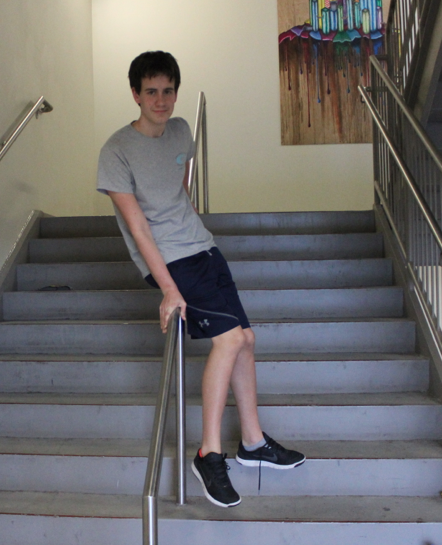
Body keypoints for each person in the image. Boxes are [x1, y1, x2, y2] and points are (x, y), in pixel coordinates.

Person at [96, 51, 305, 508]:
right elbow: (137, 227)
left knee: (247, 338)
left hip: (203, 249)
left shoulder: (182, 131)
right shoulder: (115, 151)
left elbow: (179, 193)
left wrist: (197, 236)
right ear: (135, 93)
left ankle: (252, 442)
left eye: (168, 90)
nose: (160, 99)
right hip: (172, 262)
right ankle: (209, 453)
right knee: (228, 342)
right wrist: (168, 286)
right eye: (150, 91)